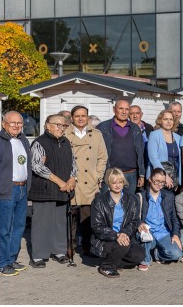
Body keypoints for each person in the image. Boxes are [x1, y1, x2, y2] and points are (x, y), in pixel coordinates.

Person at [28, 113, 76, 268]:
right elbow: (37, 166)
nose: (61, 128)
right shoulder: (39, 142)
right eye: (58, 125)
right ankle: (38, 256)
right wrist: (60, 181)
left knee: (60, 222)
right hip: (45, 189)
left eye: (64, 126)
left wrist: (72, 179)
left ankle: (59, 251)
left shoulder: (66, 142)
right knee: (42, 223)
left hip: (63, 189)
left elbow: (73, 162)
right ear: (47, 125)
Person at [64, 105, 107, 257]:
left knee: (88, 218)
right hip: (72, 181)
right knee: (71, 217)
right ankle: (70, 246)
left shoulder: (96, 134)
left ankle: (87, 246)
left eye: (84, 116)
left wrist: (98, 176)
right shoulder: (65, 134)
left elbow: (103, 157)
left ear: (88, 118)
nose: (81, 118)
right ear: (72, 118)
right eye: (77, 116)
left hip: (90, 181)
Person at [90, 168, 145, 277]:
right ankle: (107, 266)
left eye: (120, 182)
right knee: (122, 246)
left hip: (125, 236)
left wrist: (124, 233)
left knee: (140, 254)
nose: (117, 185)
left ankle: (115, 261)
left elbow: (134, 221)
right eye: (114, 182)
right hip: (107, 239)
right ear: (108, 183)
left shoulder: (132, 200)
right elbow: (97, 226)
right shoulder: (99, 202)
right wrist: (116, 235)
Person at [0, 111, 31, 276]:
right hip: (6, 189)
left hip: (22, 189)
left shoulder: (23, 140)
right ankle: (2, 262)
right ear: (4, 124)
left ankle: (11, 258)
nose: (17, 126)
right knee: (3, 228)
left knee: (18, 227)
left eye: (20, 123)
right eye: (13, 123)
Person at [98, 98, 147, 193]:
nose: (124, 112)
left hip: (130, 175)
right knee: (108, 205)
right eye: (121, 108)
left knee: (129, 205)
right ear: (114, 109)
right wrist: (99, 176)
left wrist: (141, 174)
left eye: (127, 109)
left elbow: (141, 153)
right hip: (109, 174)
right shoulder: (103, 127)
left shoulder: (135, 128)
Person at [138, 167, 183, 269]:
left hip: (163, 232)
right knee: (146, 240)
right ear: (150, 179)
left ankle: (157, 254)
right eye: (157, 181)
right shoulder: (140, 197)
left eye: (162, 182)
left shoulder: (169, 196)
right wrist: (140, 223)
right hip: (148, 232)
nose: (159, 184)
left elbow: (174, 218)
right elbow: (134, 217)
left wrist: (175, 234)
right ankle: (145, 260)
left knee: (177, 254)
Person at [147, 110, 182, 190]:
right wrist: (165, 176)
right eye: (166, 119)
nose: (169, 122)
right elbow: (153, 158)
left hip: (174, 177)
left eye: (171, 119)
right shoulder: (154, 135)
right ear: (160, 121)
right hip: (159, 177)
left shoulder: (178, 137)